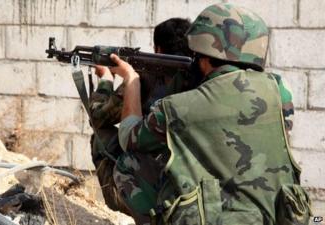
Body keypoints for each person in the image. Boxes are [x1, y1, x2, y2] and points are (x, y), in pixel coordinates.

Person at [108, 3, 311, 225]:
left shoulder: (178, 108)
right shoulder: (280, 89)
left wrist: (131, 80)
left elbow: (129, 137)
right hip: (282, 216)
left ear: (202, 54)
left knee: (129, 163)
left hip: (219, 218)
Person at [89, 18, 192, 224]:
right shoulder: (202, 77)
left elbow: (98, 116)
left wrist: (106, 80)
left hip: (153, 184)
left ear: (158, 48)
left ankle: (130, 204)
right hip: (194, 186)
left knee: (101, 137)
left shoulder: (147, 78)